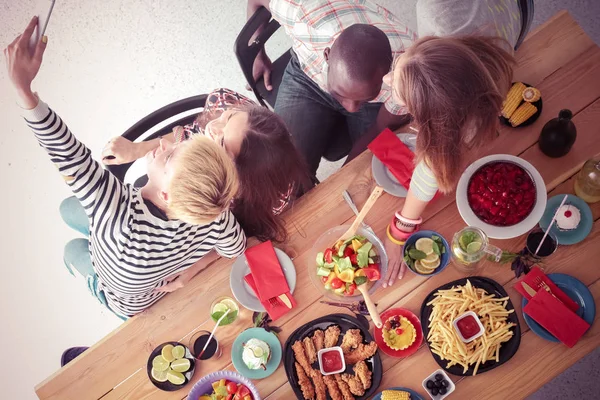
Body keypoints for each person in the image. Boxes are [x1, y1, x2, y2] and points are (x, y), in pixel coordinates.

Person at [4, 17, 247, 321]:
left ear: (168, 195)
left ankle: (91, 283)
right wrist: (193, 270)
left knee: (71, 247)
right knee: (70, 208)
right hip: (145, 272)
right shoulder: (213, 210)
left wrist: (23, 90)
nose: (162, 146)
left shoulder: (113, 210)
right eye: (179, 146)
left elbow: (68, 155)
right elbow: (236, 246)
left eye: (169, 157)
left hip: (122, 300)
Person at [381, 35, 515, 286]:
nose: (385, 80)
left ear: (435, 124)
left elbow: (428, 178)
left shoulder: (454, 139)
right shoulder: (462, 65)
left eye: (399, 94)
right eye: (395, 67)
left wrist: (398, 232)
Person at [102, 88, 311, 242]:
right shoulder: (224, 102)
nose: (212, 127)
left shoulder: (262, 201)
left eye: (221, 144)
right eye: (228, 117)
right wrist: (138, 149)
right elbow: (188, 134)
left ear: (239, 178)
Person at [246, 0, 417, 178]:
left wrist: (341, 178)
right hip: (308, 75)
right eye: (341, 95)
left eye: (364, 97)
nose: (351, 108)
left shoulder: (407, 71)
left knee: (381, 170)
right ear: (327, 55)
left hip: (378, 104)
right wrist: (257, 56)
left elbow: (381, 126)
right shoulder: (301, 12)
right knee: (282, 171)